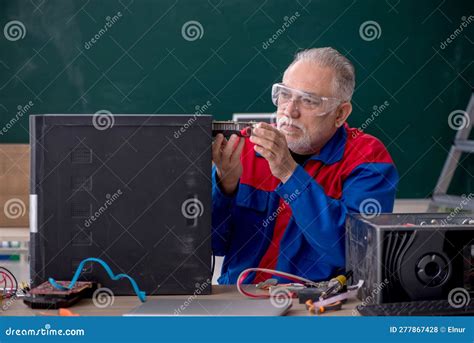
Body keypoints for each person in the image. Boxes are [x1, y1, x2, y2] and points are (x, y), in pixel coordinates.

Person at [212, 47, 398, 284]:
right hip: (237, 301)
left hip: (314, 305)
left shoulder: (368, 157)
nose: (290, 111)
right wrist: (224, 188)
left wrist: (290, 174)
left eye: (309, 101)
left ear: (340, 114)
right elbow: (212, 246)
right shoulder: (247, 150)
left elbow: (355, 254)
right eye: (285, 95)